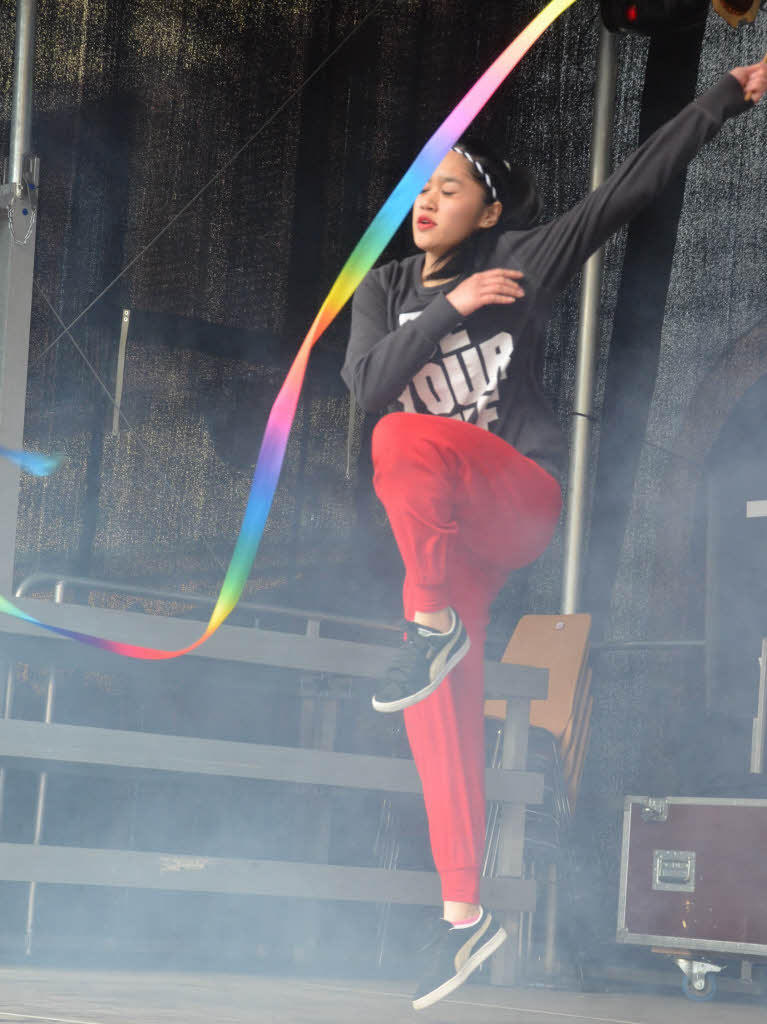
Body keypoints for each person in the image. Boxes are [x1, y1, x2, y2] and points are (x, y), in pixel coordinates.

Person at [341, 61, 767, 1011]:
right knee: (431, 714)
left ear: (486, 210)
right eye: (424, 188)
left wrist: (722, 98)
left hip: (514, 498)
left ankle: (431, 627)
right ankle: (463, 919)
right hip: (444, 541)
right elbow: (364, 383)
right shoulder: (385, 290)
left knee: (403, 438)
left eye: (449, 188)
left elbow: (628, 192)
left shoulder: (528, 258)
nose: (427, 201)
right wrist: (452, 307)